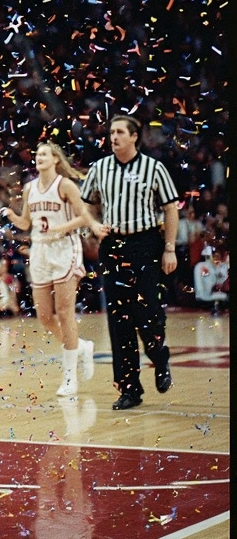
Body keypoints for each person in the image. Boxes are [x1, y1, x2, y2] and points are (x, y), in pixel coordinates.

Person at [80, 114, 179, 410]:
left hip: (145, 244)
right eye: (111, 132)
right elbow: (85, 204)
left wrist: (170, 249)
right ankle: (129, 389)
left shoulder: (154, 168)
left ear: (134, 136)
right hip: (113, 247)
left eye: (120, 132)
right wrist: (93, 227)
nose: (114, 137)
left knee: (147, 313)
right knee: (118, 319)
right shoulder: (99, 168)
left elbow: (171, 208)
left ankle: (159, 355)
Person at [1, 141, 96, 395]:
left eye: (45, 153)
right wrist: (12, 216)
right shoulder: (29, 188)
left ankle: (69, 378)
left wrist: (61, 228)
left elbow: (85, 216)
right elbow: (25, 223)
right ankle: (83, 347)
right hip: (41, 250)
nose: (39, 157)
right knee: (44, 316)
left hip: (65, 248)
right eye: (37, 154)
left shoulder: (65, 185)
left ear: (56, 159)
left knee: (65, 312)